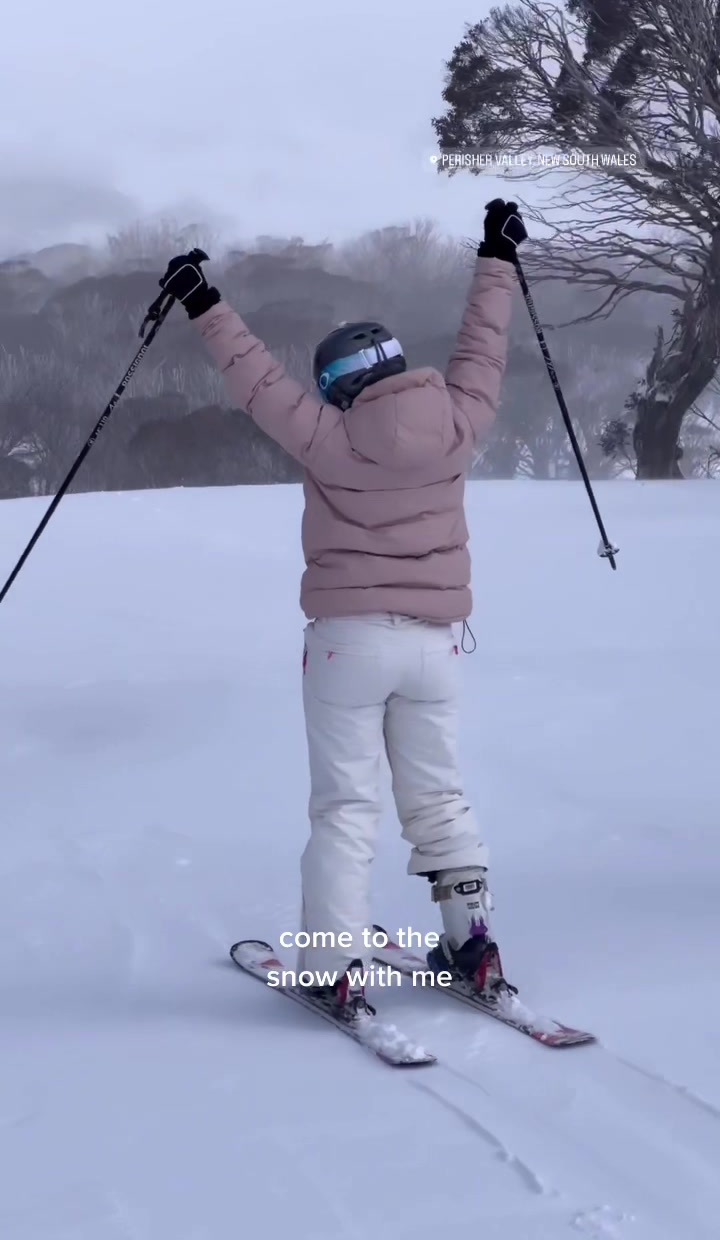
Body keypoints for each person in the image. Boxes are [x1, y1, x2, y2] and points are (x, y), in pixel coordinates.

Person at [158, 199, 527, 1021]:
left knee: (346, 809)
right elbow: (483, 347)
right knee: (439, 798)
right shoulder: (460, 421)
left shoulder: (328, 437)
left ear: (337, 385)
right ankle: (474, 946)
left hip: (346, 648)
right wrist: (497, 257)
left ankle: (336, 968)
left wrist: (202, 300)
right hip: (435, 648)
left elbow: (255, 379)